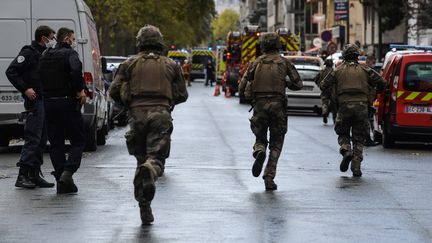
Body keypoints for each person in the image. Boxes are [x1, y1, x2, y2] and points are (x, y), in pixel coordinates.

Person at [109, 25, 188, 225]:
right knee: (156, 160)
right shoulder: (171, 64)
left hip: (136, 115)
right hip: (161, 113)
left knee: (140, 161)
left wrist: (128, 102)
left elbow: (113, 91)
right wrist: (167, 102)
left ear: (140, 42)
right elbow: (182, 94)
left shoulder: (129, 64)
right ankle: (151, 170)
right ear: (160, 42)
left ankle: (145, 209)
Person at [239, 32, 303, 191]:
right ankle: (269, 175)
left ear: (263, 46)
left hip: (259, 105)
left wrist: (248, 94)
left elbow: (242, 86)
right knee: (276, 143)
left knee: (260, 137)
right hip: (278, 106)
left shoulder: (255, 63)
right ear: (278, 45)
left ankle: (260, 149)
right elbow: (298, 84)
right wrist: (285, 83)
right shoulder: (284, 63)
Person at [321, 44, 386, 177]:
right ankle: (356, 166)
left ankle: (346, 150)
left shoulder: (337, 70)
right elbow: (382, 82)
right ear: (357, 56)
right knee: (359, 137)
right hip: (362, 106)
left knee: (343, 132)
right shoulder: (365, 69)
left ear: (344, 56)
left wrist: (334, 93)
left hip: (344, 106)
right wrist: (373, 92)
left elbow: (323, 85)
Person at [6, 26, 57, 189]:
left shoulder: (45, 53)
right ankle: (22, 175)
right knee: (33, 138)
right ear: (43, 38)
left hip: (44, 100)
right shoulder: (29, 52)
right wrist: (25, 88)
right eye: (52, 37)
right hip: (35, 102)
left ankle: (34, 174)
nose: (53, 40)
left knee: (42, 140)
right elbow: (11, 71)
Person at [39, 27, 86, 193]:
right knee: (78, 140)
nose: (73, 42)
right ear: (66, 39)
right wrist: (80, 91)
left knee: (56, 142)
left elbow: (39, 76)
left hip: (49, 104)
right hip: (67, 102)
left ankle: (61, 180)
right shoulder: (70, 54)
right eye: (72, 39)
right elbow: (75, 71)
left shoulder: (45, 54)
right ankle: (68, 172)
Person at [314, 59, 336, 124]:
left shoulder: (322, 72)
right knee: (334, 105)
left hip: (324, 90)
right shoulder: (334, 71)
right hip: (332, 90)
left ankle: (324, 112)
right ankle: (334, 119)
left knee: (324, 103)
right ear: (331, 64)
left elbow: (316, 79)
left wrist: (319, 85)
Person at [365, 55, 379, 146]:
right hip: (367, 99)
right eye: (372, 61)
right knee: (367, 120)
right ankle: (368, 139)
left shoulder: (364, 70)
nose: (373, 63)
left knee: (368, 119)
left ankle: (368, 138)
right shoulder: (369, 71)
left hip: (367, 98)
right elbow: (380, 82)